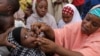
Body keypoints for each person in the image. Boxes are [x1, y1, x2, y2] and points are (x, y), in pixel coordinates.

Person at [31, 7, 100, 56]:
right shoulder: (78, 26)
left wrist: (55, 48)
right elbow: (61, 34)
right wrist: (47, 29)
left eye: (94, 24)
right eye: (87, 19)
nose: (87, 25)